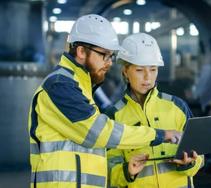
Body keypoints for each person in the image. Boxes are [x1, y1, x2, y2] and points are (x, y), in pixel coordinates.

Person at [28, 14, 181, 188]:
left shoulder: (80, 87)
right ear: (81, 51)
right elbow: (98, 132)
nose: (109, 63)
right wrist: (159, 135)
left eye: (111, 56)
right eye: (104, 55)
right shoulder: (60, 86)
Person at [106, 33, 204, 188]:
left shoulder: (177, 107)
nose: (147, 77)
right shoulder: (113, 116)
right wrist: (127, 171)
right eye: (139, 70)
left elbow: (200, 155)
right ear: (125, 71)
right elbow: (108, 172)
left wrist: (189, 163)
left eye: (153, 69)